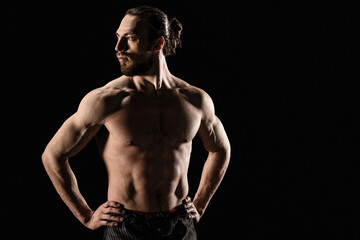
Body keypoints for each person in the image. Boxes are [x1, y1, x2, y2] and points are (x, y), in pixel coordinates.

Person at [42, 5, 231, 240]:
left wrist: (200, 204)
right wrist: (86, 216)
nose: (118, 48)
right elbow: (53, 155)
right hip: (125, 227)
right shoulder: (106, 100)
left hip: (179, 226)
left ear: (157, 44)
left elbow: (221, 150)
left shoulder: (195, 100)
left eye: (130, 39)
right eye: (118, 38)